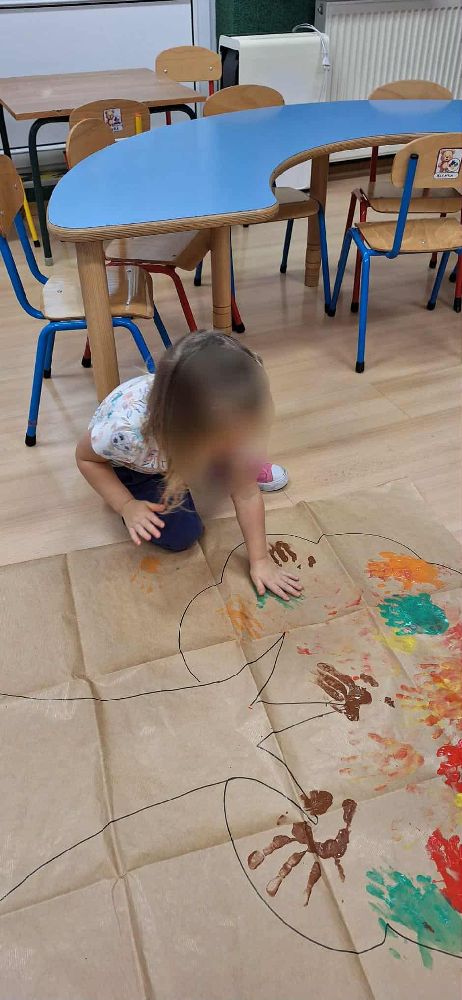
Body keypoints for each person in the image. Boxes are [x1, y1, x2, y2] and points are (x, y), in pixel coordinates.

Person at [76, 332, 302, 601]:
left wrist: (261, 560)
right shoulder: (126, 434)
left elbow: (246, 494)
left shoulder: (218, 417)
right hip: (136, 467)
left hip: (181, 452)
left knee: (239, 472)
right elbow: (86, 459)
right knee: (183, 534)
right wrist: (126, 505)